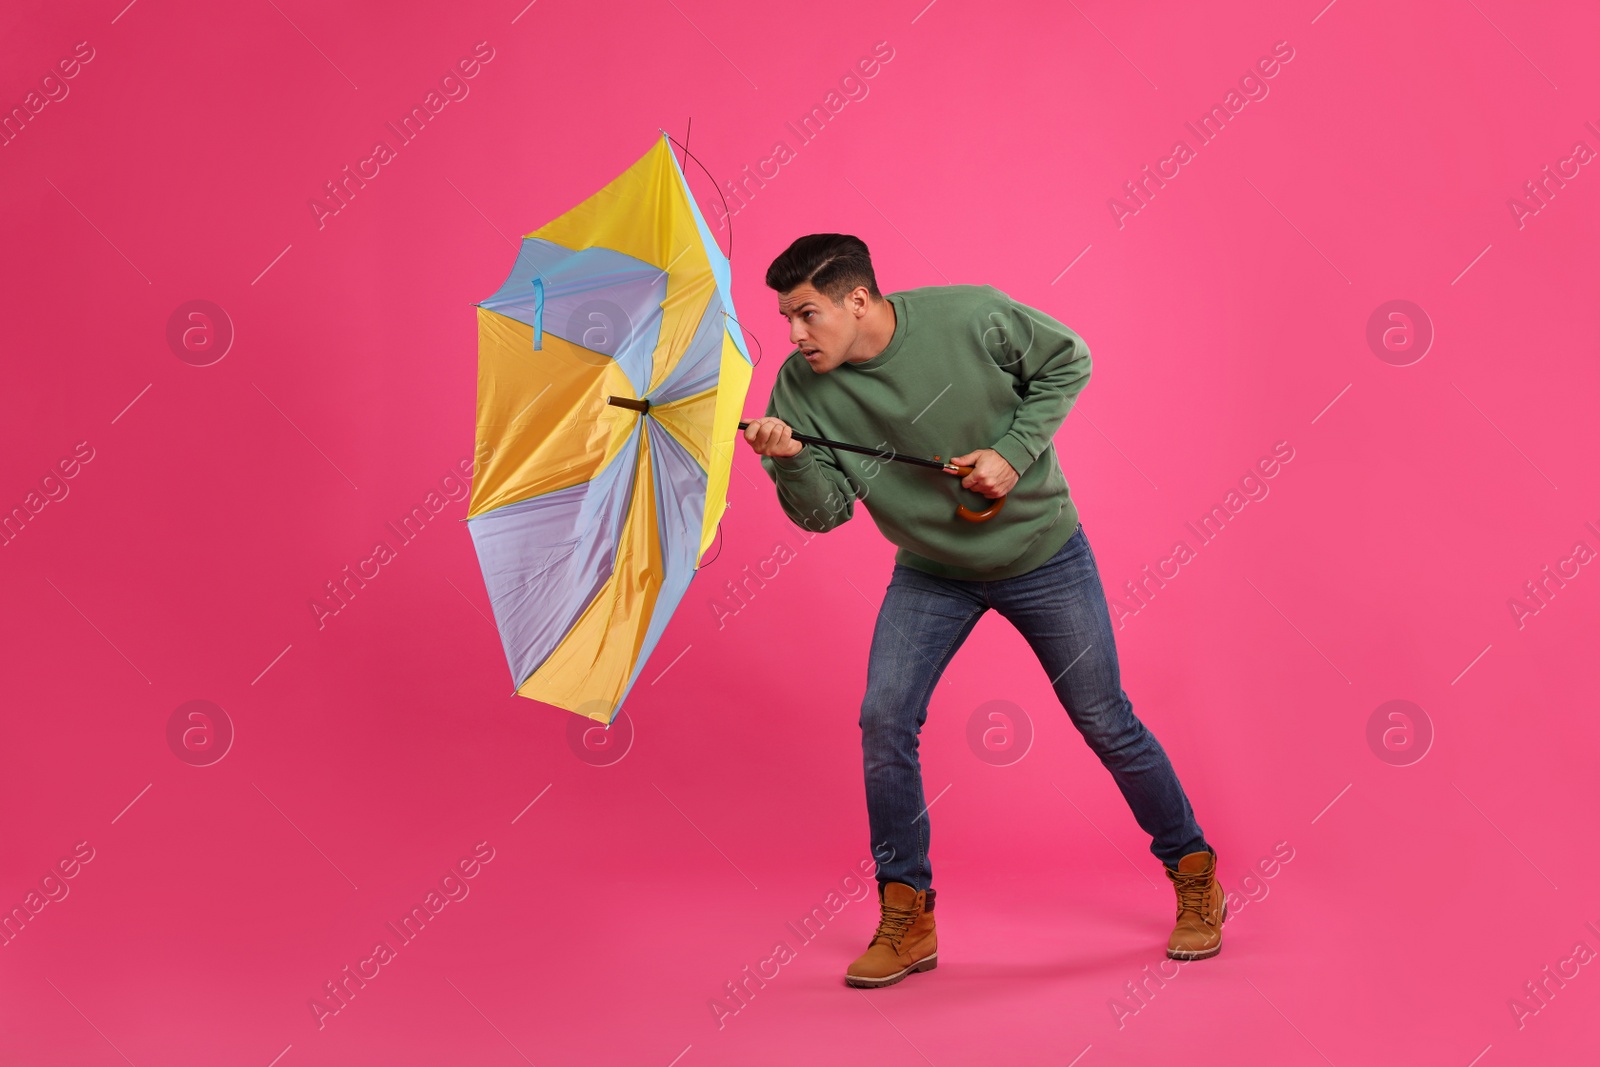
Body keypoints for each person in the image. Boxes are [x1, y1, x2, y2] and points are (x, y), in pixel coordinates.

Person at [742, 233, 1225, 990]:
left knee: (1105, 718)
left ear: (858, 300)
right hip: (932, 572)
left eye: (807, 314)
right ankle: (909, 913)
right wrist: (793, 460)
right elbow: (827, 514)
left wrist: (1014, 450)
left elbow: (1070, 359)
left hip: (1044, 554)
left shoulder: (973, 317)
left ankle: (1193, 867)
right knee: (883, 718)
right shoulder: (798, 390)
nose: (795, 335)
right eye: (786, 320)